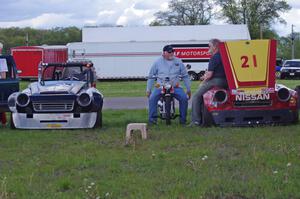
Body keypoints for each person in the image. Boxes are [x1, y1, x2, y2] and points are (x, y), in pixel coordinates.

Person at [146, 45, 191, 125]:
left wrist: (188, 89)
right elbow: (151, 76)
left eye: (172, 52)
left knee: (184, 98)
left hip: (175, 86)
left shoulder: (178, 61)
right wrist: (148, 90)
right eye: (169, 52)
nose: (171, 54)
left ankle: (183, 121)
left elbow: (185, 76)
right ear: (164, 53)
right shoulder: (157, 62)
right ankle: (152, 121)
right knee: (152, 98)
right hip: (160, 86)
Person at [190, 39, 228, 126]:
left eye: (209, 46)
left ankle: (195, 121)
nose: (208, 48)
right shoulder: (224, 56)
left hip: (216, 81)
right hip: (226, 81)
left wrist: (203, 81)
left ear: (215, 47)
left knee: (196, 96)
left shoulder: (214, 58)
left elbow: (210, 75)